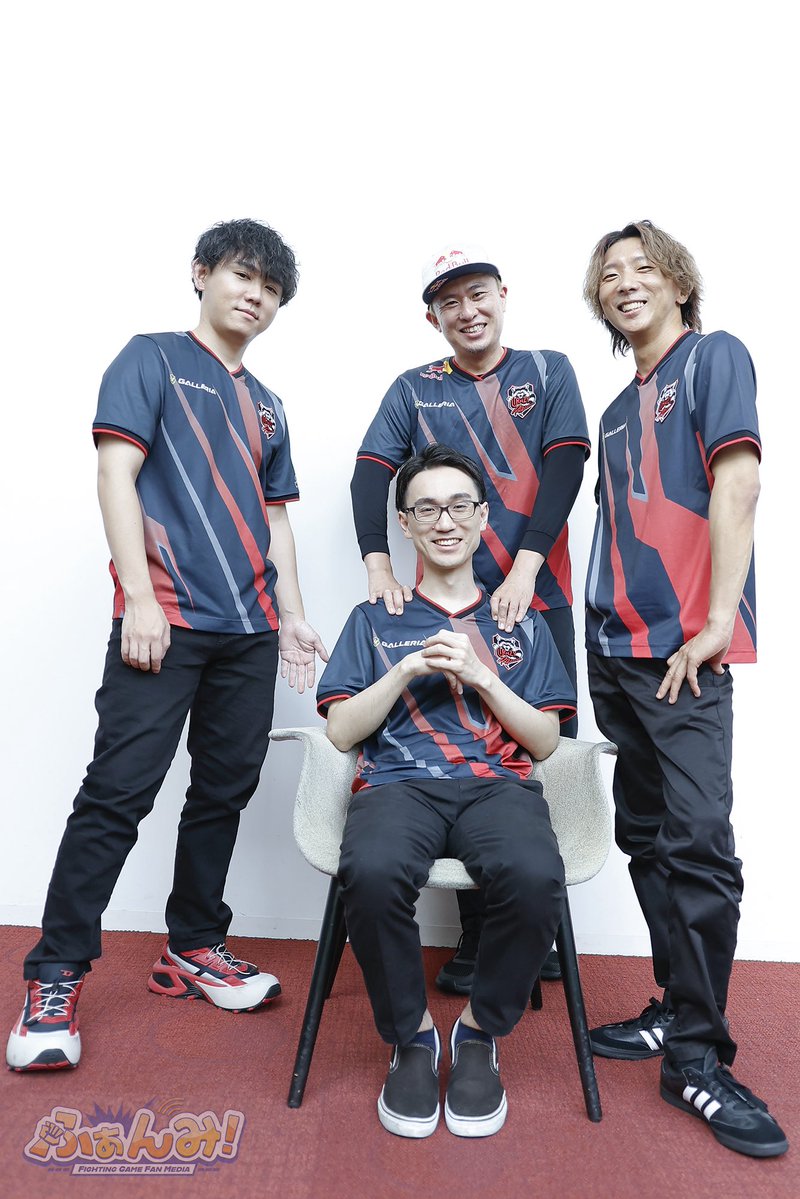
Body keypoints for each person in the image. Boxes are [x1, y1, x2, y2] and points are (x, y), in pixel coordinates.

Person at [7, 218, 328, 1073]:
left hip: (249, 632)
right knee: (117, 793)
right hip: (167, 620)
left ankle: (194, 944)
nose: (255, 294)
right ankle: (55, 974)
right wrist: (140, 597)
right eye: (243, 275)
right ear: (202, 273)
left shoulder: (269, 404)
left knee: (224, 790)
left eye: (272, 287)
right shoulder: (149, 357)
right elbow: (115, 471)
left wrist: (292, 614)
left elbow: (275, 519)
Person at [582, 219, 787, 1157]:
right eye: (609, 275)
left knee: (700, 844)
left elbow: (737, 485)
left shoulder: (714, 358)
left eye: (642, 268)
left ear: (676, 282)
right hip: (615, 652)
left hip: (685, 653)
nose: (625, 283)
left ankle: (698, 1056)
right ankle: (675, 1004)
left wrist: (717, 620)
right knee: (647, 836)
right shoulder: (614, 409)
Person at [350, 244, 590, 994]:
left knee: (535, 755)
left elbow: (566, 466)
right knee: (448, 744)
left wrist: (526, 566)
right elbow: (370, 472)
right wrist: (377, 563)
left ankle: (529, 930)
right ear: (434, 317)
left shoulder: (547, 370)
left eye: (478, 293)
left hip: (533, 595)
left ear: (502, 294)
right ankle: (478, 939)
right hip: (445, 600)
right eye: (449, 301)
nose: (468, 310)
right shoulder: (413, 388)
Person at [318, 444, 575, 1138]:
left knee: (534, 874)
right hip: (398, 785)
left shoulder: (519, 619)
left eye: (460, 505)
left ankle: (479, 1031)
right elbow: (341, 730)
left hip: (496, 786)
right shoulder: (375, 617)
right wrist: (403, 672)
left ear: (483, 516)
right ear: (404, 524)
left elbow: (546, 742)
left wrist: (485, 676)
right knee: (371, 871)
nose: (445, 521)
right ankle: (411, 1037)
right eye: (426, 508)